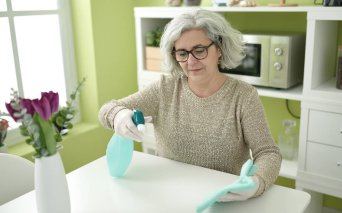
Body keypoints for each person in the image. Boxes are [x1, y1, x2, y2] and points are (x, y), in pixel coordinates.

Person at [98, 9, 281, 201]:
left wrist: (256, 182)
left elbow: (268, 152)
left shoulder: (243, 96)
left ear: (219, 48)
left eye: (199, 50)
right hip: (169, 197)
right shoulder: (165, 89)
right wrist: (118, 116)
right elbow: (107, 109)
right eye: (182, 53)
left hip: (222, 200)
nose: (191, 61)